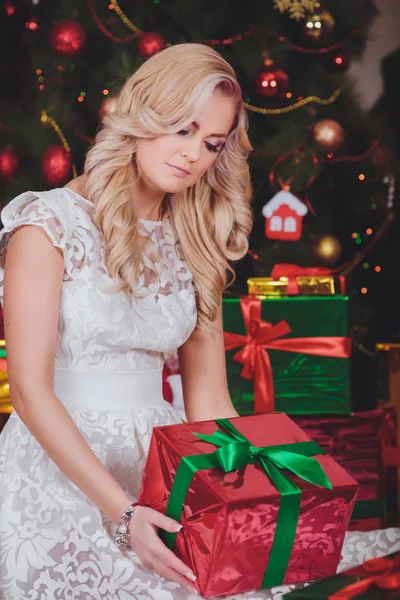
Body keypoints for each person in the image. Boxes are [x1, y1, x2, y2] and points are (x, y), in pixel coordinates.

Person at [0, 43, 399, 600]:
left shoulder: (193, 238)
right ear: (144, 115)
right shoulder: (45, 225)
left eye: (211, 143)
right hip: (60, 466)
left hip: (161, 462)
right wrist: (123, 514)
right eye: (182, 129)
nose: (192, 155)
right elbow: (29, 392)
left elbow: (210, 403)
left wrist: (275, 489)